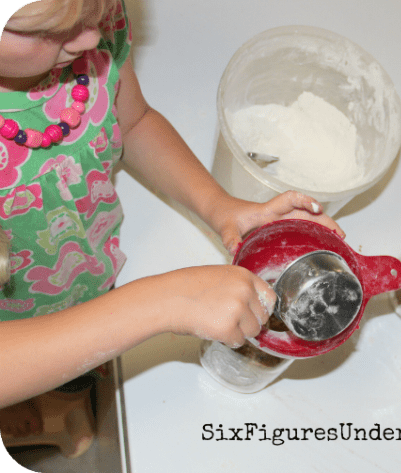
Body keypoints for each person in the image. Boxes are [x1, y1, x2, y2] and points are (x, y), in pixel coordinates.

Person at [0, 0, 344, 455]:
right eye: (45, 31)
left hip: (79, 264)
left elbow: (136, 122)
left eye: (97, 12)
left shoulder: (86, 29)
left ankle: (63, 384)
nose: (89, 39)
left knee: (79, 357)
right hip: (14, 321)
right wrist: (162, 303)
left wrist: (220, 206)